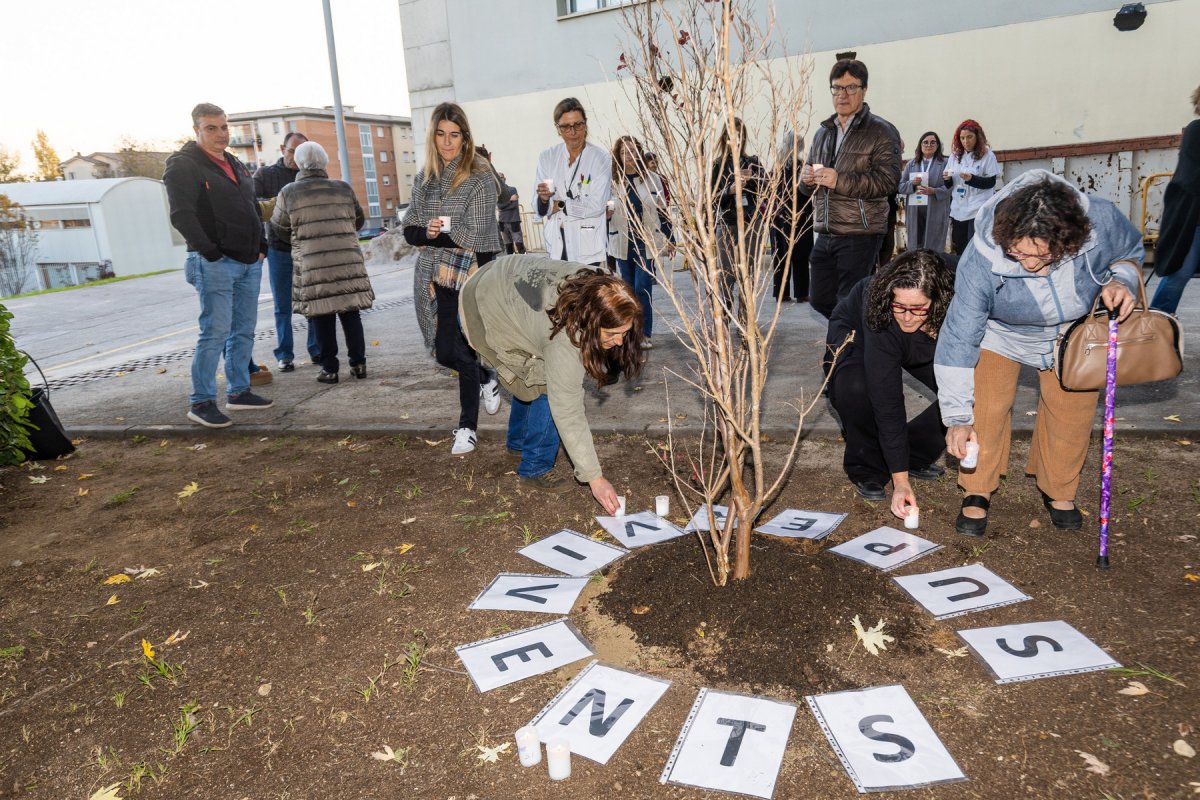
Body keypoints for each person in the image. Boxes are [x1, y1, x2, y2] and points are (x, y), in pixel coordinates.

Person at [935, 170, 1142, 537]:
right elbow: (959, 335)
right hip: (999, 334)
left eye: (1041, 256)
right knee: (985, 408)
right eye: (1018, 254)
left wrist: (1121, 280)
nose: (1028, 264)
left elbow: (1128, 252)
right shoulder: (981, 255)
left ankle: (1059, 490)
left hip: (1072, 333)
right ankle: (977, 490)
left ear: (1068, 241)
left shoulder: (1101, 218)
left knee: (1071, 413)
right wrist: (956, 415)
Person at [459, 256, 643, 510]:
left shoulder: (607, 290)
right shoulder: (566, 340)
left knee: (536, 376)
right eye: (612, 334)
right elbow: (568, 410)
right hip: (482, 304)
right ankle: (535, 467)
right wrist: (595, 478)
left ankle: (519, 443)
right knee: (547, 385)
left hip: (498, 275)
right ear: (591, 323)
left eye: (625, 332)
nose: (620, 342)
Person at [401, 102, 503, 456]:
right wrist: (428, 233)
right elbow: (409, 230)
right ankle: (487, 376)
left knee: (463, 349)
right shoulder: (424, 178)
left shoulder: (478, 174)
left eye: (454, 135)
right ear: (433, 136)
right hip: (435, 273)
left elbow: (479, 233)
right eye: (441, 134)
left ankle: (466, 427)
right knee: (444, 351)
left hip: (473, 270)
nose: (447, 143)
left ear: (465, 137)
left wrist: (434, 233)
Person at [164, 102, 273, 428]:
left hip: (248, 261)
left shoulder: (235, 163)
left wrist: (261, 246)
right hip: (215, 262)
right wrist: (210, 252)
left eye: (224, 127)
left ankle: (239, 392)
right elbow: (182, 215)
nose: (220, 133)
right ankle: (201, 402)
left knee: (243, 331)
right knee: (214, 333)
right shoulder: (183, 165)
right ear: (196, 130)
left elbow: (251, 206)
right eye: (211, 128)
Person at [826, 250, 954, 517]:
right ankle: (868, 466)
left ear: (939, 299)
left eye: (918, 308)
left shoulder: (959, 288)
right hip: (859, 334)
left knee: (968, 391)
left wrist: (934, 327)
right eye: (901, 306)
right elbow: (889, 401)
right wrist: (901, 481)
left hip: (925, 334)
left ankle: (915, 453)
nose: (907, 317)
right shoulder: (879, 306)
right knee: (858, 390)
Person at [801, 59, 902, 319]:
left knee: (850, 301)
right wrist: (806, 179)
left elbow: (888, 181)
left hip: (861, 231)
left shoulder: (881, 131)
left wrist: (839, 180)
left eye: (851, 88)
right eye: (837, 88)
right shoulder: (823, 132)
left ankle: (848, 351)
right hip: (826, 231)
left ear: (864, 90)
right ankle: (855, 337)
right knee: (820, 299)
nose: (843, 95)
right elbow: (805, 188)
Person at [270, 141, 374, 385]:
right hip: (347, 262)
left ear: (298, 163)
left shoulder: (289, 192)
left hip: (313, 263)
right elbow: (358, 220)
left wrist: (301, 241)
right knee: (351, 314)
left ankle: (330, 369)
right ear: (325, 162)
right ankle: (359, 364)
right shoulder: (343, 189)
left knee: (321, 316)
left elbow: (279, 227)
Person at [255, 131, 322, 370]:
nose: (296, 156)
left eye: (302, 151)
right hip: (279, 250)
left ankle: (316, 349)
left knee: (312, 302)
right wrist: (283, 202)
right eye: (293, 150)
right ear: (283, 148)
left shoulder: (311, 176)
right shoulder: (265, 175)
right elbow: (253, 204)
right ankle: (285, 355)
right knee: (282, 306)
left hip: (307, 248)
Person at [534, 97, 612, 267]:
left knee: (585, 292)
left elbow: (597, 205)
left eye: (578, 124)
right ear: (557, 128)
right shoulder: (547, 157)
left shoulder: (600, 158)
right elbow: (538, 206)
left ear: (585, 124)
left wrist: (561, 205)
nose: (573, 131)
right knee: (560, 292)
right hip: (557, 241)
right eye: (566, 127)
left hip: (587, 244)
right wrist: (544, 200)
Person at [609, 135, 669, 349]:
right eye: (624, 152)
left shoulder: (653, 178)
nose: (630, 156)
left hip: (646, 240)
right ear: (618, 155)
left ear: (640, 152)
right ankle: (629, 333)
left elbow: (663, 209)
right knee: (627, 290)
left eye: (633, 151)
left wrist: (668, 237)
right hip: (623, 241)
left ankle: (645, 333)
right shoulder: (612, 180)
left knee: (642, 287)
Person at [1150, 84, 1200, 314]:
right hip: (1193, 218)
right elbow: (1188, 177)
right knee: (1180, 272)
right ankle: (1158, 322)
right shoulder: (1196, 130)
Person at [710, 117, 764, 314]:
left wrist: (752, 180)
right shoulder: (717, 165)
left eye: (740, 134)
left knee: (748, 275)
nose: (737, 138)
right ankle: (723, 315)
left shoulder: (753, 162)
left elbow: (767, 191)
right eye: (733, 134)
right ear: (725, 137)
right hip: (727, 224)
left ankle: (746, 322)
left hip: (751, 224)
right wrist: (729, 190)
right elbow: (711, 198)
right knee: (725, 273)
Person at [945, 119, 1000, 255]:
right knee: (959, 244)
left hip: (978, 208)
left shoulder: (987, 155)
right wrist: (946, 179)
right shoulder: (955, 156)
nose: (966, 141)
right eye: (962, 138)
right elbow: (949, 184)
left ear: (977, 137)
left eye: (969, 137)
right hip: (959, 208)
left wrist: (972, 179)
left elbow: (991, 182)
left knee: (974, 246)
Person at [771, 130, 814, 303]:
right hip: (800, 215)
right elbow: (805, 192)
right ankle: (802, 293)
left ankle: (781, 293)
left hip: (780, 216)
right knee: (800, 255)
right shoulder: (801, 167)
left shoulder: (778, 167)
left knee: (781, 255)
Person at [899, 131, 952, 253]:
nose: (929, 145)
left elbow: (950, 188)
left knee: (933, 247)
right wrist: (911, 184)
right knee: (915, 246)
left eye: (933, 142)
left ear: (938, 145)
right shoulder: (911, 164)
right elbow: (900, 186)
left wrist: (934, 191)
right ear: (920, 145)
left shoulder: (945, 163)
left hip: (935, 210)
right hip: (915, 211)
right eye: (925, 142)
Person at [497, 173, 526, 255]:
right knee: (508, 245)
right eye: (498, 178)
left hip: (513, 220)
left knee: (519, 242)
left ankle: (523, 261)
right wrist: (510, 200)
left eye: (501, 177)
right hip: (502, 221)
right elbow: (499, 205)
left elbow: (514, 205)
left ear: (504, 178)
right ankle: (510, 263)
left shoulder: (512, 189)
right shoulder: (497, 192)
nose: (500, 179)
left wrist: (502, 206)